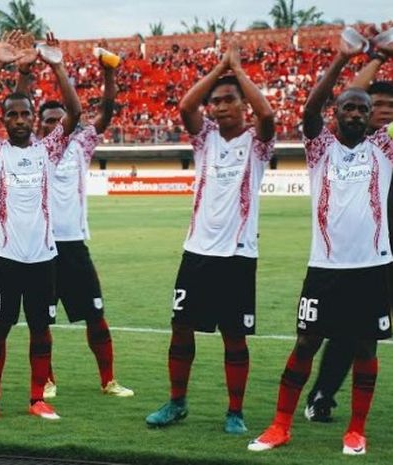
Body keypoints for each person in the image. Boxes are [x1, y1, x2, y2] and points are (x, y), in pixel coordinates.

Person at [248, 36, 393, 456]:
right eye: (348, 107)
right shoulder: (320, 147)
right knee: (306, 343)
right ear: (337, 113)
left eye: (362, 110)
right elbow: (310, 108)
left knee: (365, 348)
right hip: (324, 269)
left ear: (370, 119)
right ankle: (280, 425)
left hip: (372, 267)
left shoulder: (383, 147)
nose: (355, 114)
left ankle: (356, 430)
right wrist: (343, 59)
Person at [145, 37, 275, 434]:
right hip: (197, 252)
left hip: (237, 256)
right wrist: (221, 68)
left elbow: (266, 112)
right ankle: (176, 402)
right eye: (215, 102)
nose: (218, 107)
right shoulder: (205, 140)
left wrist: (238, 72)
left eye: (227, 101)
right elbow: (186, 106)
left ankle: (235, 412)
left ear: (242, 105)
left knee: (234, 337)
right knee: (180, 329)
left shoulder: (257, 142)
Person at [0, 31, 81, 423]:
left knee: (40, 331)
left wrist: (57, 66)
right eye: (11, 115)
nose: (18, 120)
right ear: (3, 120)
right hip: (3, 259)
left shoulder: (47, 150)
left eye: (24, 114)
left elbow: (75, 113)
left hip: (43, 259)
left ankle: (37, 398)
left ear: (35, 119)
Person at [14, 40, 133, 399]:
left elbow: (108, 109)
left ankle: (108, 380)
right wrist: (23, 72)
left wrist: (107, 74)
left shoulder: (81, 144)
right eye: (47, 121)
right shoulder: (31, 148)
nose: (53, 126)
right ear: (38, 125)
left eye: (58, 120)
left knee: (96, 316)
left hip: (74, 245)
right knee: (41, 320)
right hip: (42, 248)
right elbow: (15, 103)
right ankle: (46, 380)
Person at [304, 43, 393, 423]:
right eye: (380, 104)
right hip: (368, 254)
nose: (385, 110)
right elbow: (345, 98)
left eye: (391, 106)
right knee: (351, 333)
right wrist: (377, 57)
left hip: (379, 252)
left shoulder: (384, 146)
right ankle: (322, 393)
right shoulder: (361, 146)